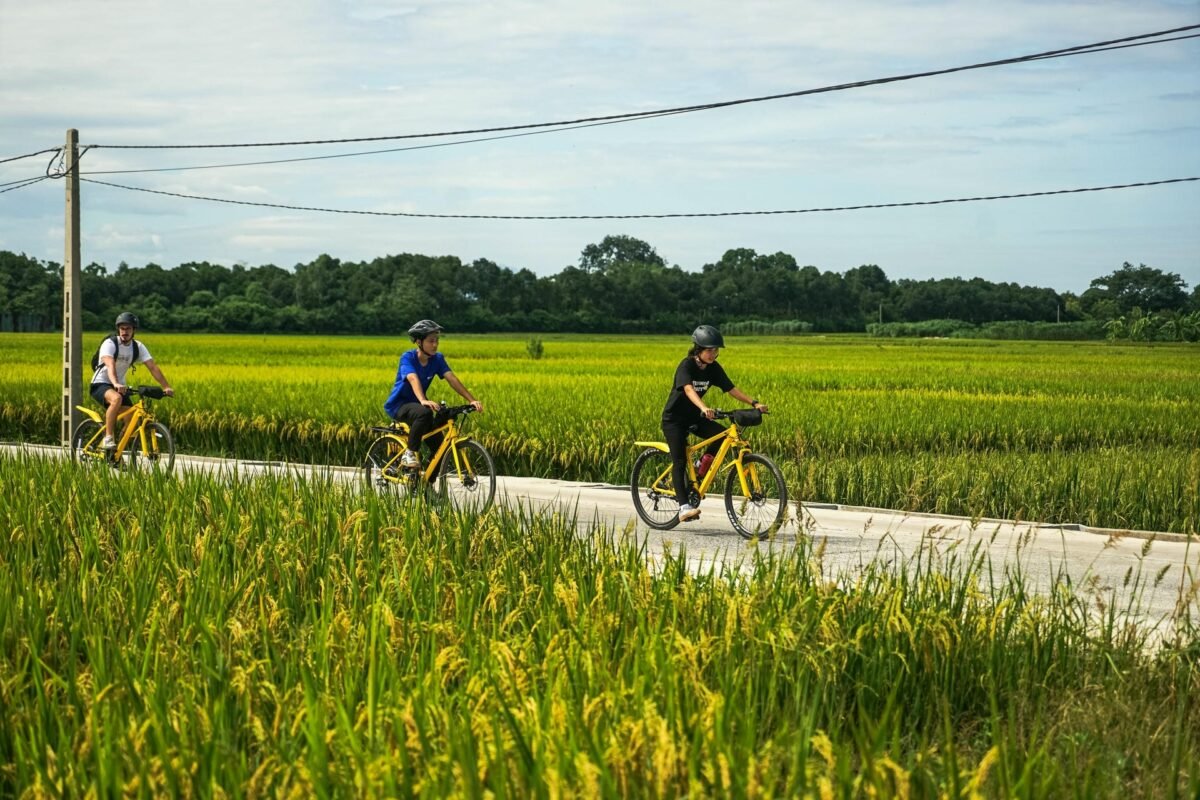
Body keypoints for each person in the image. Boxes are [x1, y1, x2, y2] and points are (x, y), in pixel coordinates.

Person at [661, 324, 768, 523]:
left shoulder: (713, 369)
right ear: (698, 349)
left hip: (695, 418)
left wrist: (754, 403)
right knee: (679, 461)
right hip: (674, 420)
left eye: (716, 350)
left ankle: (701, 464)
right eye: (709, 350)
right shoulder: (686, 365)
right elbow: (688, 390)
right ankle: (684, 507)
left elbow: (730, 388)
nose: (713, 354)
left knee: (723, 435)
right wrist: (703, 407)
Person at [384, 319, 484, 469]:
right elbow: (412, 377)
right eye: (431, 341)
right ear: (419, 342)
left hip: (418, 406)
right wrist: (423, 400)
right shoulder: (407, 358)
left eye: (437, 341)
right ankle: (409, 453)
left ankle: (427, 487)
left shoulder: (437, 359)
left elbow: (452, 378)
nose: (435, 345)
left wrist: (472, 400)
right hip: (400, 405)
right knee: (424, 412)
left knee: (440, 449)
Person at [90, 311, 174, 449]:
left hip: (119, 386)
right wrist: (116, 383)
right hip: (100, 383)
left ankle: (116, 452)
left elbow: (152, 367)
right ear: (118, 329)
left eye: (128, 328)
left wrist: (166, 386)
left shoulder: (138, 347)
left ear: (134, 330)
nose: (124, 331)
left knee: (132, 419)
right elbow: (110, 365)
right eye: (122, 328)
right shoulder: (110, 343)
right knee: (116, 399)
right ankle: (108, 438)